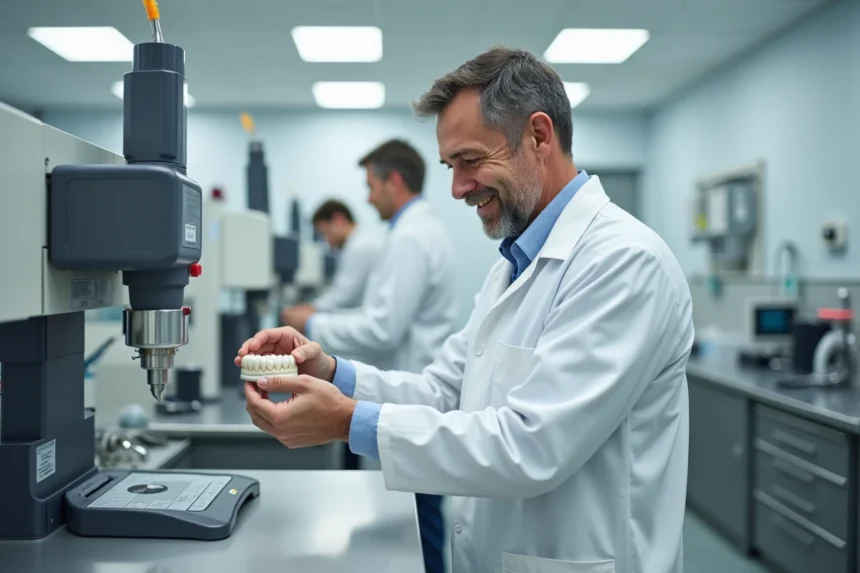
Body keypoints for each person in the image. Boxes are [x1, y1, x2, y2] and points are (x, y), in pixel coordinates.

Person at [238, 47, 693, 573]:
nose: (457, 188)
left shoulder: (624, 262)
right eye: (450, 166)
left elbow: (532, 445)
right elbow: (446, 391)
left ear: (539, 136)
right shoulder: (513, 265)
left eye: (471, 161)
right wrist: (334, 374)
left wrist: (347, 423)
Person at [281, 139, 456, 573]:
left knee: (417, 527)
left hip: (413, 396)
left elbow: (382, 328)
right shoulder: (413, 232)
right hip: (410, 391)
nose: (367, 196)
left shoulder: (412, 237)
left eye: (371, 185)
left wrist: (314, 327)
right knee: (416, 524)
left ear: (393, 182)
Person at [281, 199, 383, 319]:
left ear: (338, 219)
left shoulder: (360, 247)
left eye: (325, 233)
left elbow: (344, 296)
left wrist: (310, 309)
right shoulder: (360, 242)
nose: (327, 241)